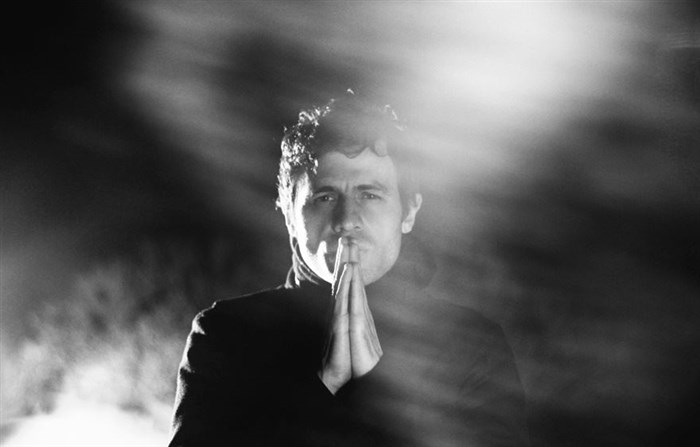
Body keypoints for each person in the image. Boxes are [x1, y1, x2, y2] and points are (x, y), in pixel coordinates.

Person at [168, 92, 529, 446]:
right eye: (325, 197)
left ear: (409, 212)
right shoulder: (226, 336)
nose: (346, 220)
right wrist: (325, 388)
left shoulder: (471, 346)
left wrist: (370, 395)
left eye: (370, 195)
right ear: (290, 215)